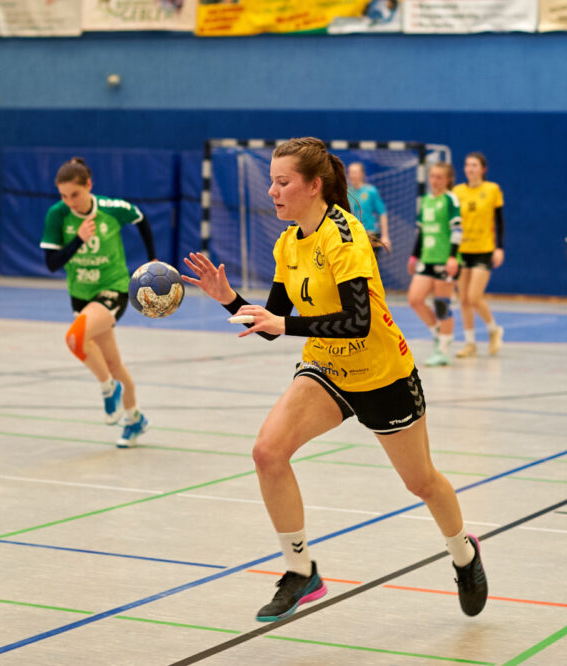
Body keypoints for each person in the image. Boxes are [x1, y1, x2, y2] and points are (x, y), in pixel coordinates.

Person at [182, 138, 487, 623]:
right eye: (272, 181)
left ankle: (464, 553)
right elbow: (272, 321)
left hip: (383, 374)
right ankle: (301, 571)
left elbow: (358, 321)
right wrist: (229, 298)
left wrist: (284, 325)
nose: (273, 190)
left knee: (422, 483)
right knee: (267, 452)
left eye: (283, 182)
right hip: (327, 369)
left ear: (313, 186)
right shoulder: (288, 242)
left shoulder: (344, 236)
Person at [40, 157, 158, 448]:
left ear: (89, 186)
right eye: (64, 196)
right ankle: (135, 419)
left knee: (74, 338)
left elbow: (140, 217)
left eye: (75, 195)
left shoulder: (111, 209)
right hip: (81, 294)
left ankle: (108, 389)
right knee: (113, 362)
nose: (70, 202)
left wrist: (152, 256)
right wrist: (78, 240)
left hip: (114, 288)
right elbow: (52, 264)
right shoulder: (58, 215)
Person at [407, 162, 461, 366]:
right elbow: (421, 232)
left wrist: (453, 256)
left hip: (445, 258)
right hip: (427, 258)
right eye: (432, 176)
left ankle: (443, 349)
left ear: (447, 179)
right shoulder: (427, 200)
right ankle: (439, 333)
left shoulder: (450, 199)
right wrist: (414, 256)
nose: (434, 180)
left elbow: (457, 230)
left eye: (439, 177)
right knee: (415, 299)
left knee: (441, 304)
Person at [453, 152, 505, 358]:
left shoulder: (492, 190)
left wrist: (499, 247)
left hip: (484, 249)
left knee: (475, 297)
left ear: (483, 169)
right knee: (463, 299)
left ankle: (494, 330)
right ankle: (470, 343)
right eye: (467, 165)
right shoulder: (457, 191)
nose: (470, 168)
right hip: (462, 250)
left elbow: (500, 221)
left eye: (474, 165)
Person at [347, 162, 389, 249]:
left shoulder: (371, 191)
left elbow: (382, 213)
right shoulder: (347, 192)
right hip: (353, 235)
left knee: (370, 262)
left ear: (362, 174)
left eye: (354, 172)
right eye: (350, 172)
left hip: (370, 234)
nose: (351, 175)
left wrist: (385, 236)